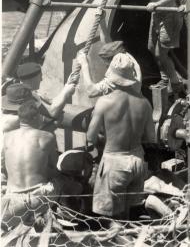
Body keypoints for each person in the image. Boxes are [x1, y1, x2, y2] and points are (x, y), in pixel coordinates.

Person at [86, 53, 155, 218]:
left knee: (111, 218)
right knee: (127, 214)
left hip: (114, 163)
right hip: (137, 162)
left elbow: (90, 138)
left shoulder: (104, 102)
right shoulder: (144, 103)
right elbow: (151, 138)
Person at [2, 99, 82, 229]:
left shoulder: (7, 137)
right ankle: (68, 217)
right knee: (63, 180)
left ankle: (29, 218)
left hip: (12, 198)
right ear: (36, 117)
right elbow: (54, 168)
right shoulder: (47, 137)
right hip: (38, 199)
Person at [136, 0, 184, 93]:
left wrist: (157, 4)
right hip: (157, 14)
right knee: (152, 48)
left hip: (169, 15)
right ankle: (165, 79)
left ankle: (175, 83)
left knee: (160, 53)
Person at [77, 41, 142, 97]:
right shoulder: (127, 59)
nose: (106, 66)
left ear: (113, 61)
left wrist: (84, 64)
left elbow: (91, 91)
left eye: (107, 64)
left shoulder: (116, 78)